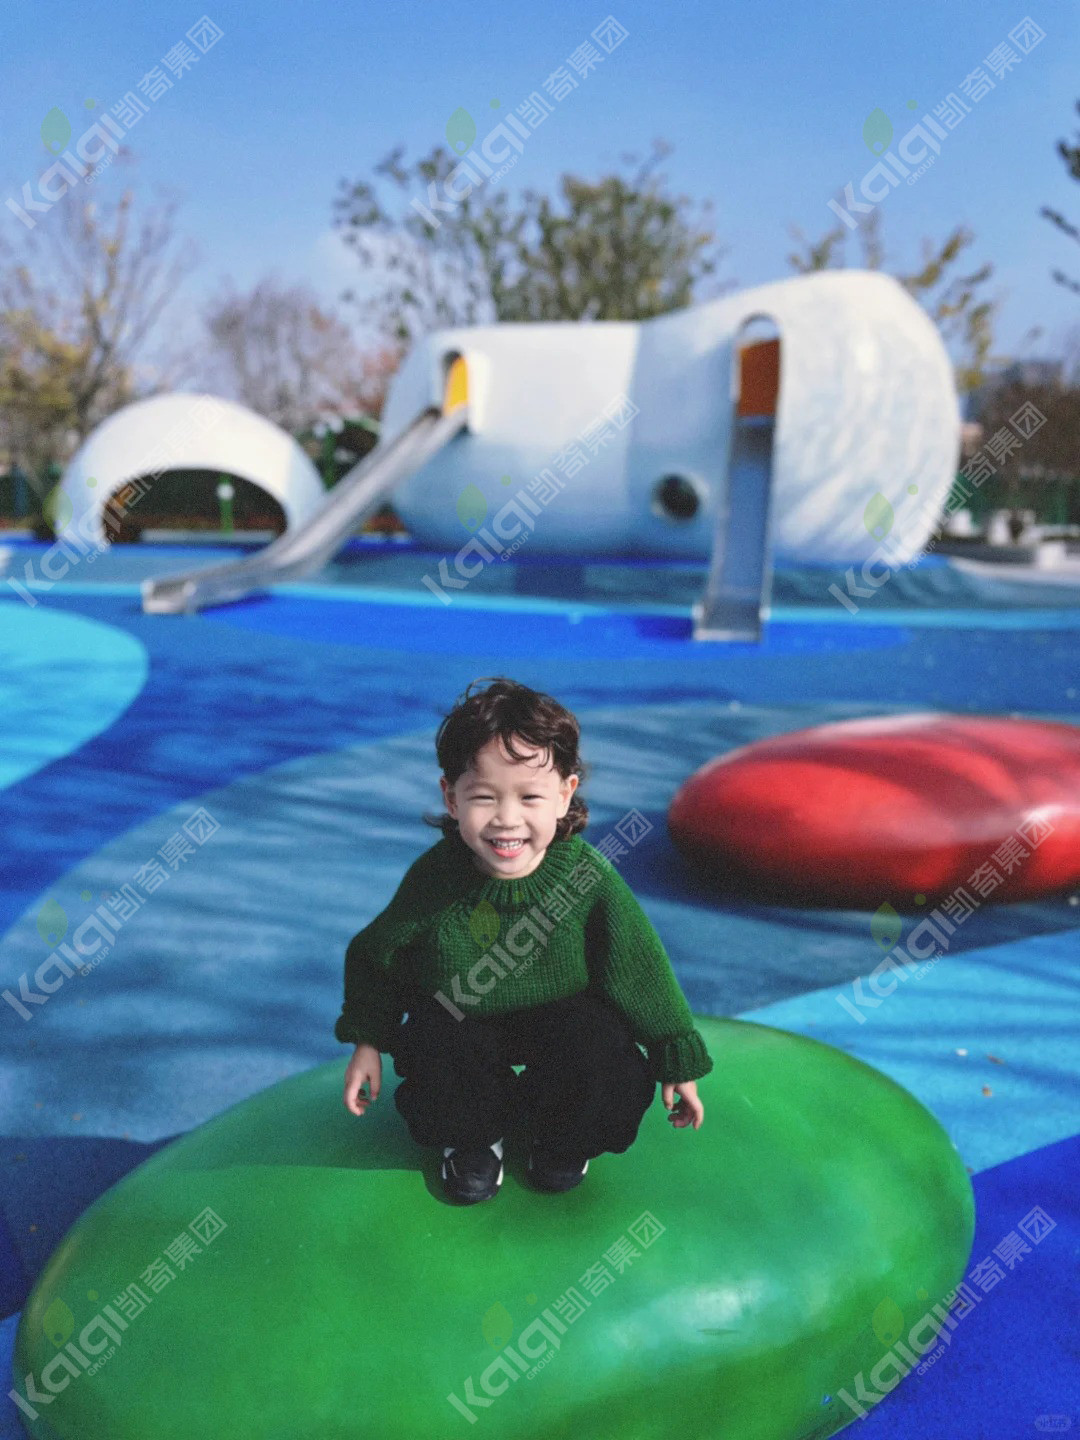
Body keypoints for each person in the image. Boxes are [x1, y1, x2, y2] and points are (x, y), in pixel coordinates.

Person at [336, 676, 712, 1204]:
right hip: (463, 1009)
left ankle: (560, 1137)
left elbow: (637, 964)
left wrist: (676, 1058)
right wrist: (368, 1041)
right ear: (450, 796)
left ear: (565, 795)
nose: (506, 820)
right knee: (434, 1042)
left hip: (560, 1012)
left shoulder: (585, 876)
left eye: (530, 796)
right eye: (483, 797)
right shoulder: (438, 879)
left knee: (606, 1058)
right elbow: (380, 955)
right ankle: (473, 1140)